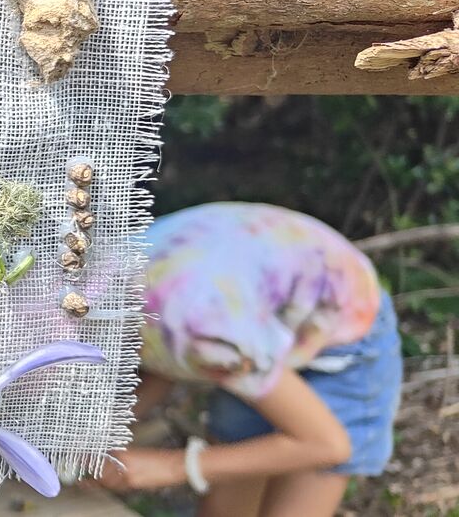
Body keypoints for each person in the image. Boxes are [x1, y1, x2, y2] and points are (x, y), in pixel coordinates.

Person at [95, 202, 401, 517]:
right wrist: (99, 435)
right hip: (250, 316)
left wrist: (171, 467)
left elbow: (327, 445)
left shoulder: (203, 333)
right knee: (226, 504)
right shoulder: (99, 286)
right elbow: (164, 358)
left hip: (343, 338)